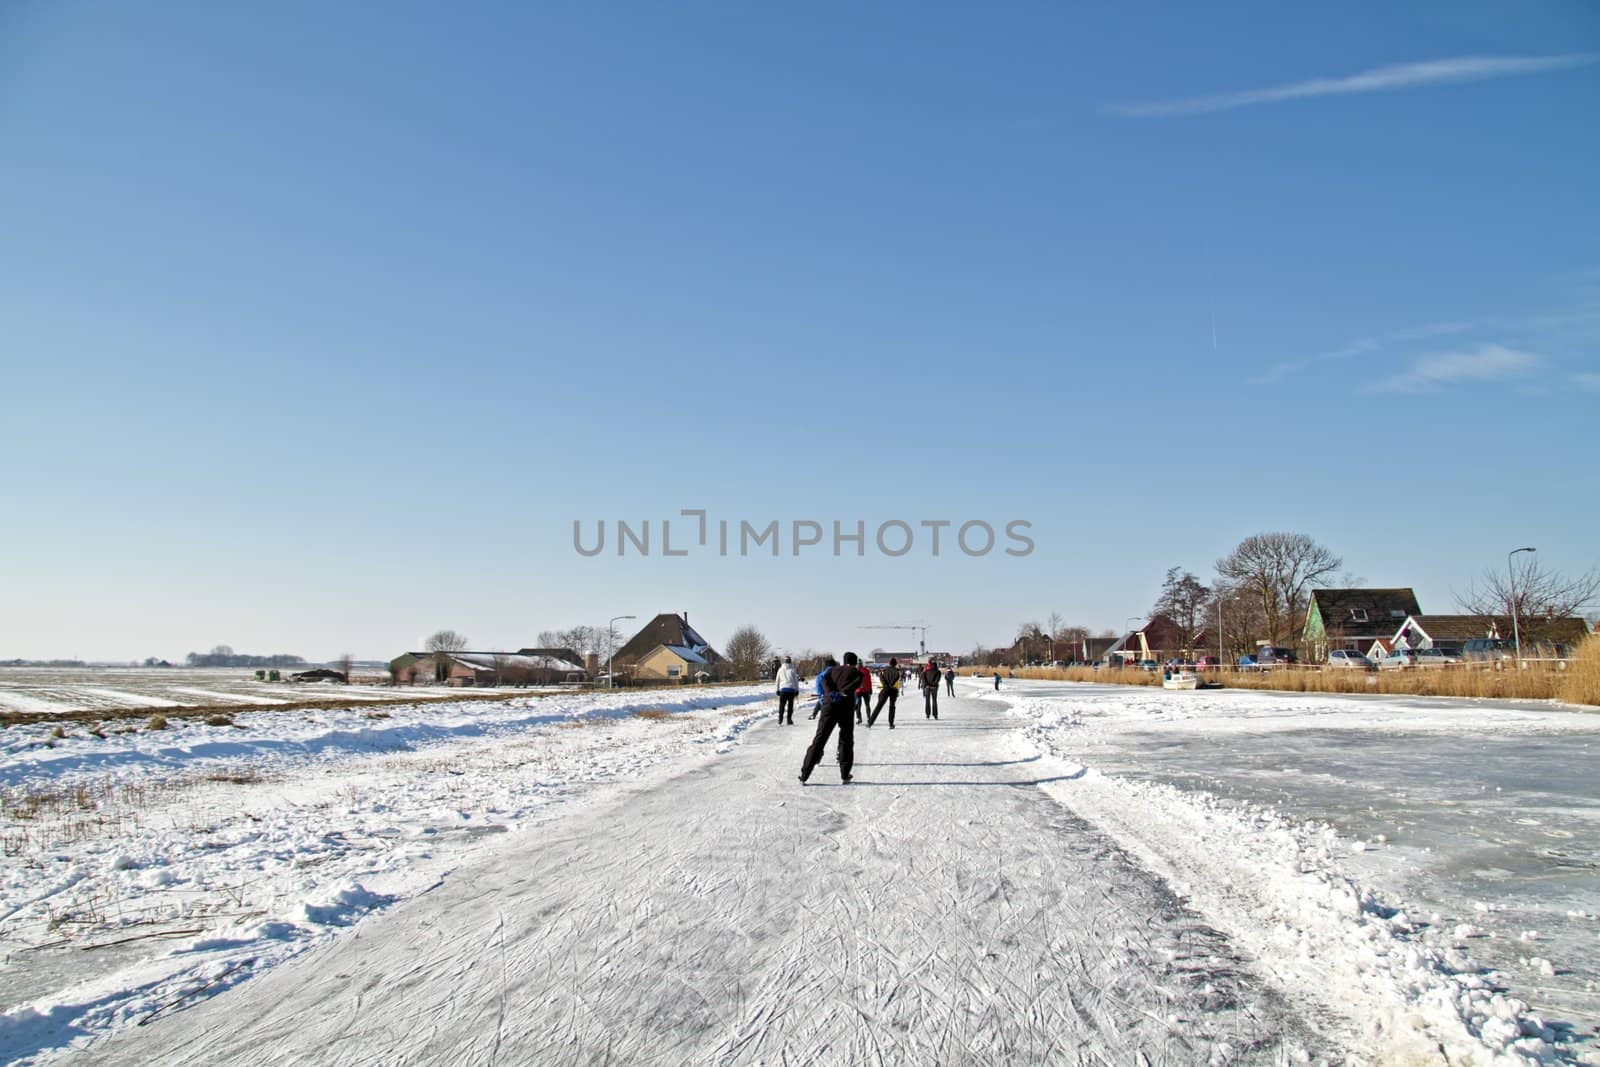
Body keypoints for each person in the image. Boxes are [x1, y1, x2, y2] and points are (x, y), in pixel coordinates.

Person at [800, 652, 863, 784]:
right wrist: (844, 692)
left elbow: (823, 680)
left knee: (820, 738)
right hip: (846, 707)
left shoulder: (833, 670)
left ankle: (805, 774)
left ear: (844, 661)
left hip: (829, 705)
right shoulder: (857, 673)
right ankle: (845, 774)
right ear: (855, 662)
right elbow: (856, 685)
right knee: (846, 739)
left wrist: (830, 693)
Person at [868, 657, 901, 728]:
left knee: (879, 706)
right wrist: (891, 685)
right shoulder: (897, 671)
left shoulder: (884, 670)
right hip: (893, 690)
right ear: (895, 664)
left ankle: (870, 722)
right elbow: (897, 679)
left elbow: (881, 677)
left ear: (889, 663)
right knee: (892, 706)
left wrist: (885, 684)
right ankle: (891, 724)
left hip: (885, 689)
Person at [775, 656, 799, 725]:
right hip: (791, 690)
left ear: (784, 662)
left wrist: (777, 689)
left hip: (783, 690)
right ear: (790, 661)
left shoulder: (780, 669)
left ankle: (780, 719)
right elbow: (796, 681)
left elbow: (777, 680)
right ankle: (789, 720)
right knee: (790, 706)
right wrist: (797, 690)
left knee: (782, 705)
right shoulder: (793, 670)